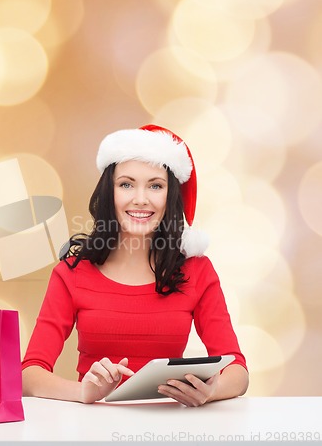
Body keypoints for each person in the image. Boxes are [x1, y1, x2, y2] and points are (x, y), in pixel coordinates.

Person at [22, 124, 249, 406]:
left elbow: (238, 372)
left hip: (167, 428)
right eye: (126, 184)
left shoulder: (197, 270)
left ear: (170, 196)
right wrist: (84, 393)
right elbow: (29, 375)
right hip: (92, 428)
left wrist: (210, 391)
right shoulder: (72, 273)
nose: (140, 199)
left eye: (155, 185)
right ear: (110, 192)